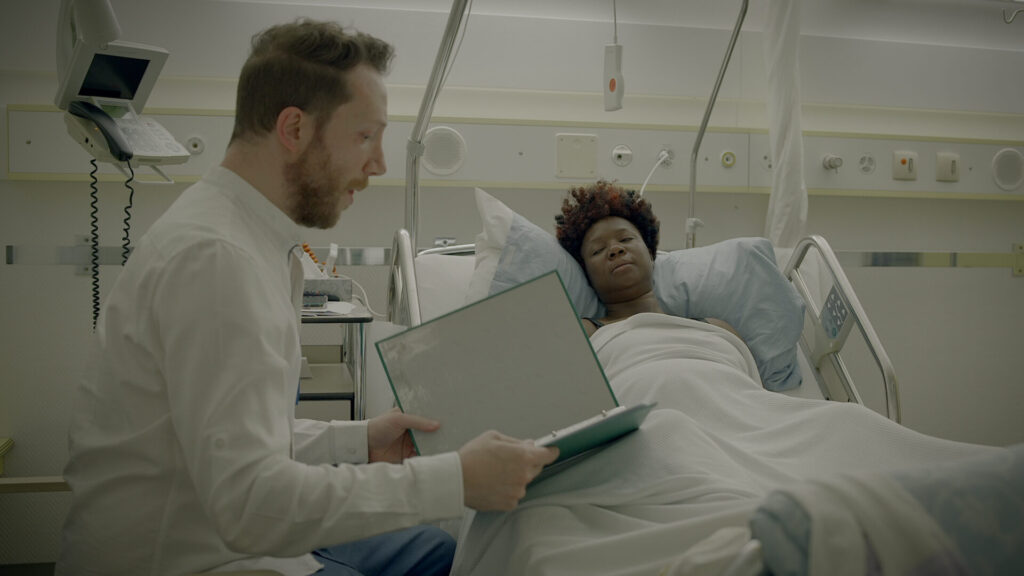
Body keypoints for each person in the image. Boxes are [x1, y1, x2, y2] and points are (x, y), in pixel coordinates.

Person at [56, 19, 557, 576]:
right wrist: (456, 480)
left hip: (222, 528)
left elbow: (238, 432)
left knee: (437, 553)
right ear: (293, 129)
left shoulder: (253, 239)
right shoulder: (218, 261)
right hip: (187, 558)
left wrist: (361, 440)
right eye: (365, 136)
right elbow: (249, 503)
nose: (380, 164)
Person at [554, 180, 740, 338]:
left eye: (625, 239)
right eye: (598, 250)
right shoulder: (585, 334)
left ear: (651, 255)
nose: (615, 249)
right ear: (586, 272)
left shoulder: (716, 330)